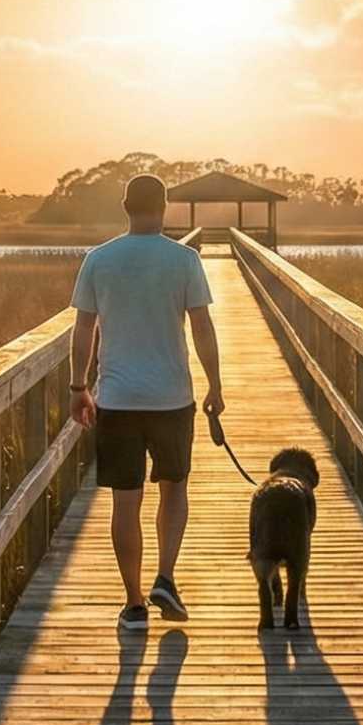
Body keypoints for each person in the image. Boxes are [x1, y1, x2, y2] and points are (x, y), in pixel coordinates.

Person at [69, 173, 225, 634]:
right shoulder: (184, 260)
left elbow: (83, 328)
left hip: (116, 397)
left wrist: (79, 387)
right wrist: (215, 384)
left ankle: (134, 601)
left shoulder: (99, 259)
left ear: (124, 206)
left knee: (125, 500)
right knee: (174, 486)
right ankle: (166, 577)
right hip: (172, 396)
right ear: (166, 206)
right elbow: (201, 327)